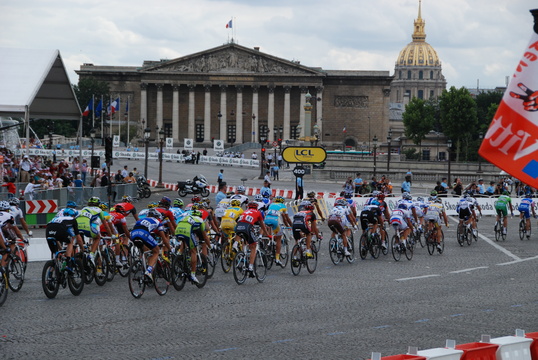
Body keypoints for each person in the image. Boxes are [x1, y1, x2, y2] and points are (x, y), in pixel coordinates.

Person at [130, 209, 168, 281]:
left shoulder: (141, 219)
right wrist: (168, 248)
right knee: (156, 251)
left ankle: (143, 266)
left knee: (146, 250)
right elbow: (164, 239)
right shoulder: (158, 222)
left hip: (133, 234)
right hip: (143, 233)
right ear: (157, 217)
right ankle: (149, 271)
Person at [234, 202, 270, 276]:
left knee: (243, 236)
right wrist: (267, 234)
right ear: (256, 207)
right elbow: (262, 225)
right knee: (253, 246)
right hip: (247, 227)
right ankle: (250, 267)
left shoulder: (245, 211)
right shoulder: (258, 212)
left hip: (238, 226)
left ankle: (236, 245)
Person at [174, 207, 208, 284]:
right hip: (187, 231)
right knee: (193, 251)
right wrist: (209, 245)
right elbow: (204, 236)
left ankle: (178, 256)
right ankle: (193, 274)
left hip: (178, 229)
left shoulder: (187, 217)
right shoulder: (200, 220)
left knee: (184, 241)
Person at [76, 197, 114, 265]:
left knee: (81, 243)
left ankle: (81, 258)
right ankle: (92, 255)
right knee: (97, 237)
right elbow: (106, 225)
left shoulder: (84, 208)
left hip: (77, 227)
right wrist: (111, 235)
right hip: (86, 227)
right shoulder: (99, 210)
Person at [45, 206, 81, 273]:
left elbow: (56, 235)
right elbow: (78, 237)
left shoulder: (57, 218)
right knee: (70, 242)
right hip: (59, 229)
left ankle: (49, 274)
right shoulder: (72, 219)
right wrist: (82, 248)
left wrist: (61, 249)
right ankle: (68, 261)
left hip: (48, 229)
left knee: (56, 254)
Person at [263, 196, 292, 266]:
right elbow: (286, 219)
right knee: (278, 238)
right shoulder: (283, 206)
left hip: (266, 219)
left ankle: (269, 243)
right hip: (275, 220)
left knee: (270, 233)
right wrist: (291, 226)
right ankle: (277, 258)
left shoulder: (271, 204)